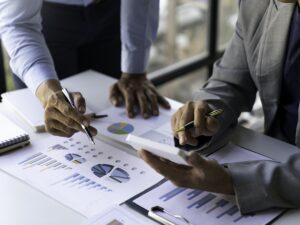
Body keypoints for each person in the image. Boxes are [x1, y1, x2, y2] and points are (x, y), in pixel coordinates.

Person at [139, 0, 300, 214]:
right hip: (271, 151)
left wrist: (233, 181)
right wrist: (204, 112)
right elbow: (230, 82)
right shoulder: (259, 5)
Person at [0, 0, 170, 137]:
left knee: (111, 116)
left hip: (112, 15)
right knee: (51, 126)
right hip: (44, 23)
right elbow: (17, 24)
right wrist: (47, 93)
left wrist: (135, 70)